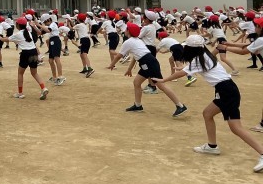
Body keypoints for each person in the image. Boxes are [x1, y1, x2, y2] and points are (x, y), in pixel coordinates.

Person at [154, 34, 263, 173]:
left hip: (226, 91)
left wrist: (163, 80)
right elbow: (192, 68)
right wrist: (183, 69)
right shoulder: (205, 55)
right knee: (207, 114)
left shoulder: (199, 59)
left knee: (236, 128)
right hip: (226, 89)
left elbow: (183, 73)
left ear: (191, 49)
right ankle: (212, 146)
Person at [108, 22, 187, 117]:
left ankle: (180, 106)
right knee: (137, 82)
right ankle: (138, 105)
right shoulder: (137, 40)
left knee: (161, 85)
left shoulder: (128, 42)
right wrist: (129, 69)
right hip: (146, 63)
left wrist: (111, 64)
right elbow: (135, 56)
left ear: (129, 31)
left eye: (126, 28)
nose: (125, 30)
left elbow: (119, 56)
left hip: (148, 63)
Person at [3, 17, 49, 100]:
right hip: (34, 52)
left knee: (20, 73)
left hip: (25, 53)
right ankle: (43, 87)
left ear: (17, 25)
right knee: (34, 73)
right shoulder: (28, 32)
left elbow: (7, 39)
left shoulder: (18, 34)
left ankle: (20, 93)